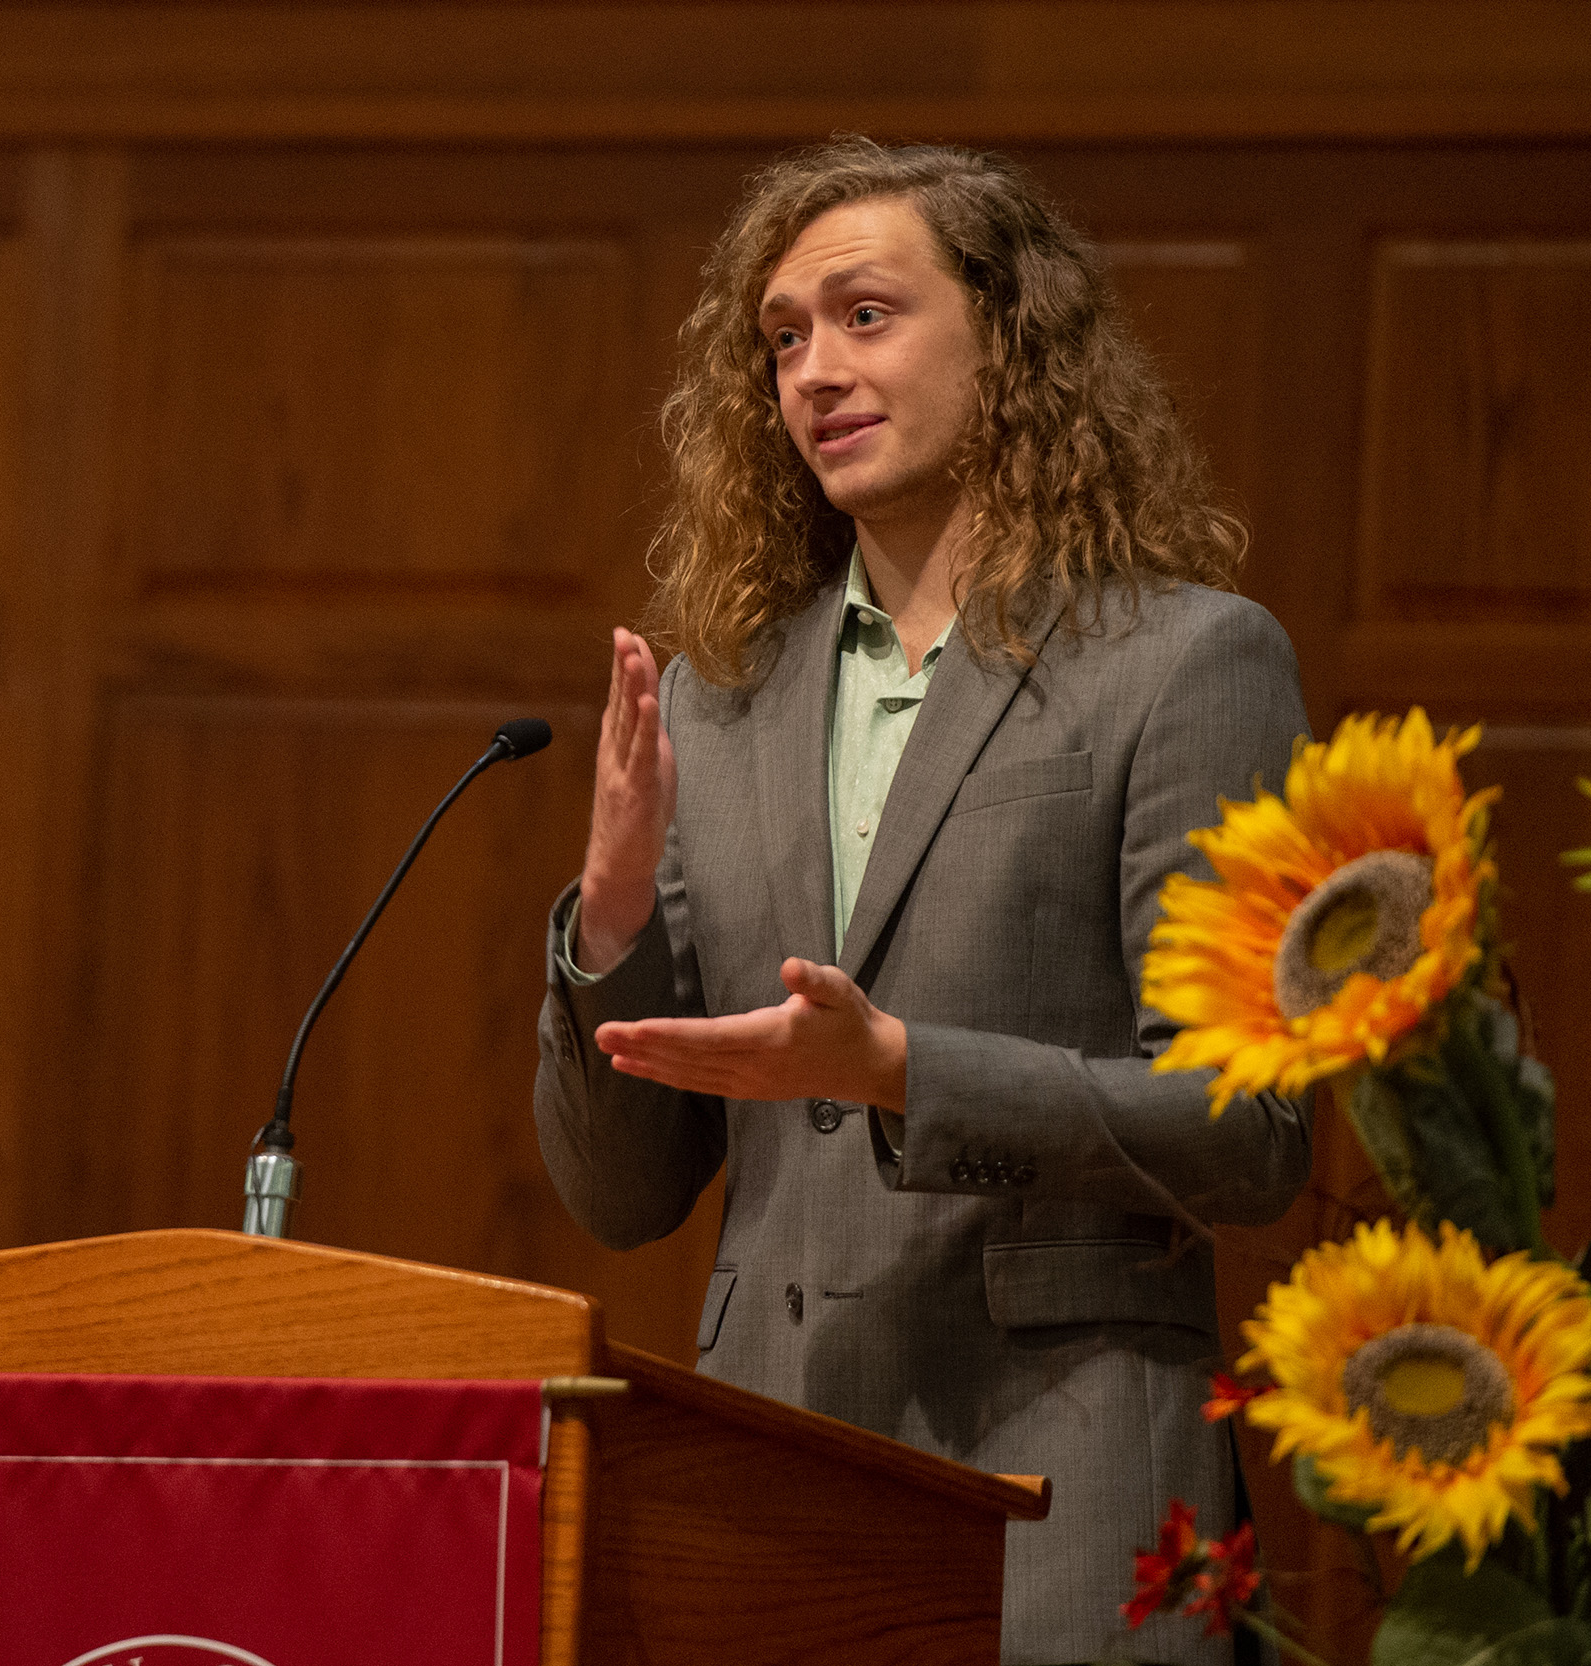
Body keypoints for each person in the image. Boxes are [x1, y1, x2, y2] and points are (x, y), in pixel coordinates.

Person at [532, 139, 1312, 1666]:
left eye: (866, 315)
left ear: (1008, 333)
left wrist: (903, 1071)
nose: (816, 368)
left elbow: (1248, 1130)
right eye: (783, 337)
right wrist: (613, 924)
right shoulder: (725, 700)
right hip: (765, 1491)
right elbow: (626, 1193)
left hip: (1060, 1495)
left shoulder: (1185, 663)